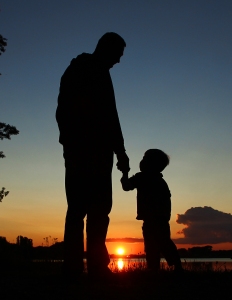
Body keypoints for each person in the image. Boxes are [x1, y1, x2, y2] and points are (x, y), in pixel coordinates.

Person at [56, 32, 130, 281]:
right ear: (106, 48)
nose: (119, 61)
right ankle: (80, 267)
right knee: (82, 209)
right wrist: (71, 141)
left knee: (94, 210)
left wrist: (119, 151)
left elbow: (111, 116)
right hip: (85, 151)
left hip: (96, 151)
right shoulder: (82, 69)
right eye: (118, 55)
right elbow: (65, 110)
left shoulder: (94, 71)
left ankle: (89, 266)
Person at [121, 149, 183, 271]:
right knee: (164, 243)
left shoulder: (142, 177)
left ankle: (155, 270)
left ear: (151, 164)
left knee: (152, 246)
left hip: (152, 219)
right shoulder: (161, 181)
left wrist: (124, 173)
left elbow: (126, 186)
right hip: (161, 220)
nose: (141, 162)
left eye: (144, 159)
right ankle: (175, 266)